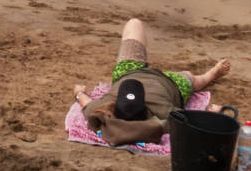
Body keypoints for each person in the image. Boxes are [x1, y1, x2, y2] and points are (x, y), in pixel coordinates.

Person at [77, 18, 229, 146]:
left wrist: (78, 93)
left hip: (130, 70)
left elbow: (85, 102)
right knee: (193, 79)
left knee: (134, 24)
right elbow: (195, 123)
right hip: (170, 82)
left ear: (116, 105)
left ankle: (210, 74)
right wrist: (214, 114)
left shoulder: (103, 109)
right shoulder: (164, 114)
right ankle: (211, 74)